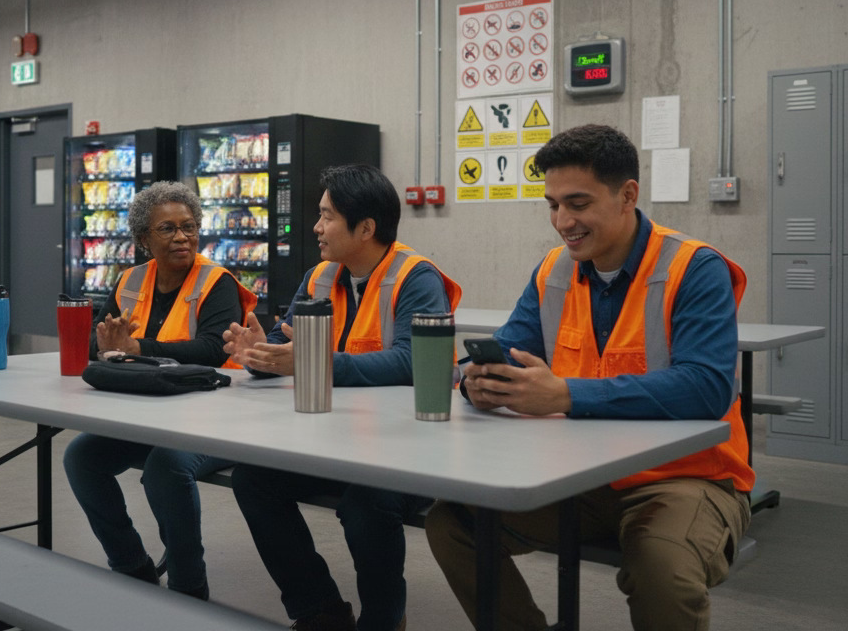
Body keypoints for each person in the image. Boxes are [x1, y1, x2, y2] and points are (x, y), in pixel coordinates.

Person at [424, 124, 753, 631]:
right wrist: (479, 382)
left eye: (577, 203)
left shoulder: (694, 268)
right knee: (455, 522)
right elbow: (508, 347)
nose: (562, 221)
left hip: (685, 477)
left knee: (662, 569)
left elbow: (707, 388)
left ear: (627, 196)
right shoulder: (553, 271)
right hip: (581, 473)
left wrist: (565, 394)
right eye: (552, 205)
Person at [223, 164, 462, 631]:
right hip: (331, 439)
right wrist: (257, 355)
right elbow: (283, 343)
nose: (316, 227)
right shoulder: (318, 277)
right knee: (254, 480)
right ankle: (319, 610)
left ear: (366, 228)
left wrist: (316, 362)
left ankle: (384, 619)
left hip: (407, 446)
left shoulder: (417, 278)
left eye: (327, 216)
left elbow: (415, 363)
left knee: (366, 505)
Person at [62, 181, 256, 601]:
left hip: (220, 418)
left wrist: (135, 349)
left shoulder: (216, 282)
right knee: (81, 457)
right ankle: (131, 565)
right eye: (167, 229)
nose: (182, 237)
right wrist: (108, 345)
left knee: (167, 468)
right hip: (150, 415)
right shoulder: (130, 281)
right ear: (143, 239)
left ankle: (189, 587)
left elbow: (210, 350)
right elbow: (102, 339)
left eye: (189, 226)